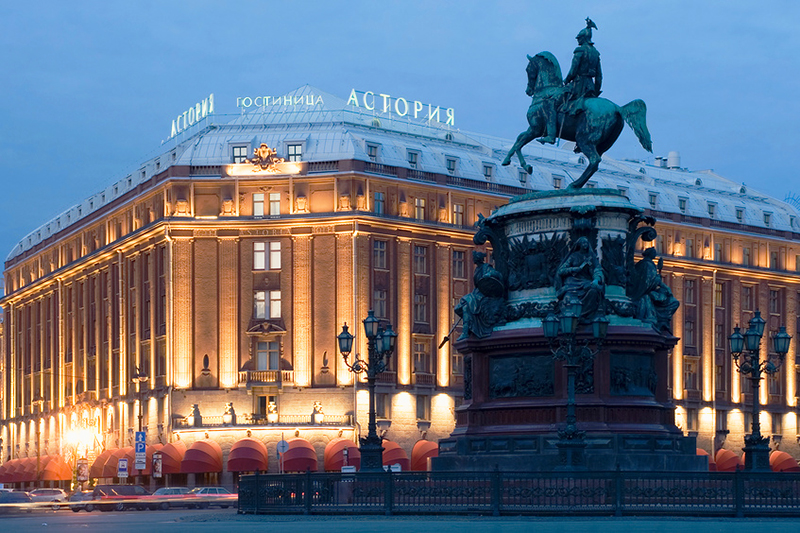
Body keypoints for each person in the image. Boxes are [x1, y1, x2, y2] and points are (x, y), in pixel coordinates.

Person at [555, 236, 604, 320]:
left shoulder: (591, 257)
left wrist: (596, 279)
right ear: (579, 245)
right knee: (568, 297)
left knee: (593, 292)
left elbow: (597, 270)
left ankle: (584, 315)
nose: (585, 245)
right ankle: (572, 316)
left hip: (585, 282)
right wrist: (574, 269)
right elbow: (561, 271)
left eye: (586, 243)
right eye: (583, 243)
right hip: (572, 283)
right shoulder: (573, 256)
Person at [563, 18, 602, 115]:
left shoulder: (579, 51)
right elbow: (599, 76)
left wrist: (566, 81)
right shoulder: (596, 53)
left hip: (578, 86)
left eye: (579, 38)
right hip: (590, 87)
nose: (577, 40)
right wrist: (596, 91)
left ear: (584, 38)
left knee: (562, 102)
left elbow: (573, 70)